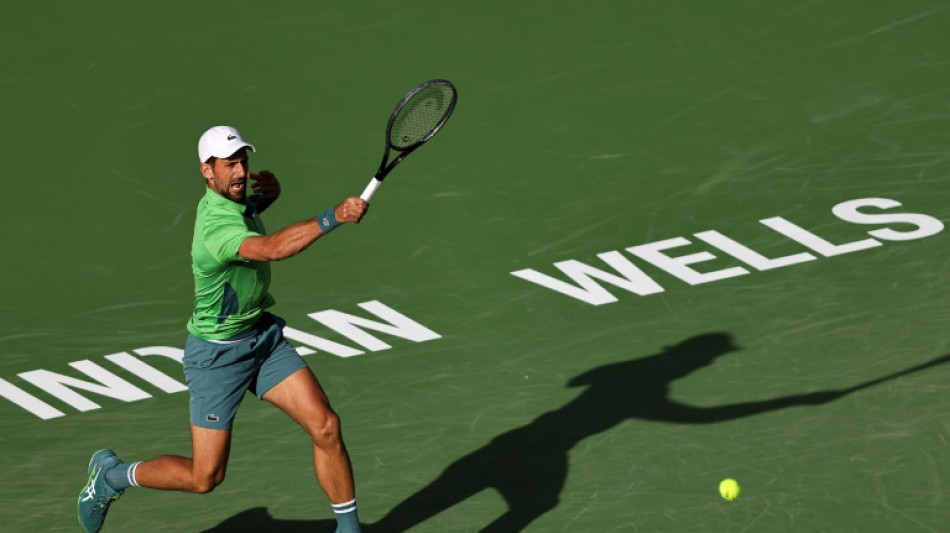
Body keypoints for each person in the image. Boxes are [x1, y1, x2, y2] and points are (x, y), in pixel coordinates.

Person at [77, 126, 368, 533]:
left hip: (262, 339)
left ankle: (349, 530)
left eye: (242, 161)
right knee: (205, 478)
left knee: (326, 426)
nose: (239, 171)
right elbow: (271, 249)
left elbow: (252, 206)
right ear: (206, 171)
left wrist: (270, 193)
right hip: (217, 356)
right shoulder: (215, 228)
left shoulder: (237, 198)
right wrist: (332, 217)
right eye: (229, 164)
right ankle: (111, 477)